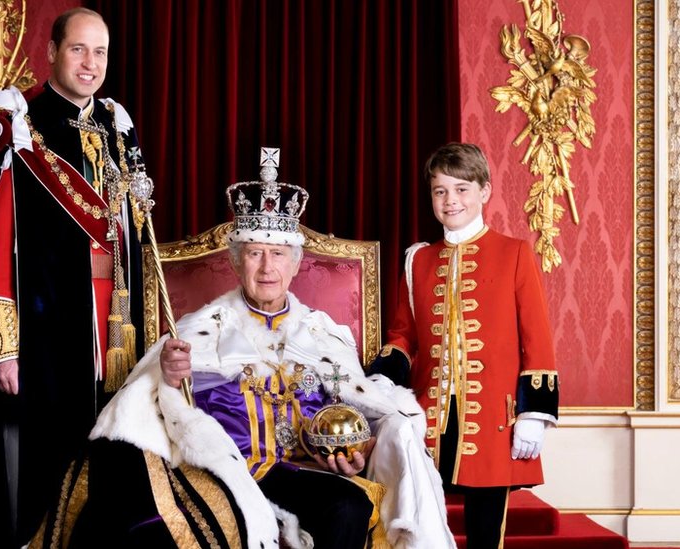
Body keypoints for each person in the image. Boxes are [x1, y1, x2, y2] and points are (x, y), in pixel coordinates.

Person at [36, 154, 456, 549]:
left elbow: (362, 408)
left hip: (300, 471)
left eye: (277, 255)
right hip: (223, 471)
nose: (266, 267)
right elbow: (149, 408)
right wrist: (168, 377)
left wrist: (355, 452)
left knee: (349, 505)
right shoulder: (200, 329)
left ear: (296, 264)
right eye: (254, 253)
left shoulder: (324, 335)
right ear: (236, 262)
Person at [0, 8, 147, 547]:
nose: (90, 64)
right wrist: (5, 348)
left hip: (115, 324)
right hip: (48, 328)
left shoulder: (116, 125)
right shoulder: (20, 125)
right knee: (50, 464)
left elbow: (133, 238)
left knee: (110, 456)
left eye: (100, 52)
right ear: (50, 52)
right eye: (78, 50)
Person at [369, 143, 559, 549]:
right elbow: (404, 333)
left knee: (486, 531)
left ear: (484, 192)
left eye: (461, 189)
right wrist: (385, 377)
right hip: (430, 414)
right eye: (440, 191)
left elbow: (536, 337)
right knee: (422, 524)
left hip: (494, 417)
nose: (450, 200)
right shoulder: (418, 260)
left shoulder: (515, 252)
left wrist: (534, 413)